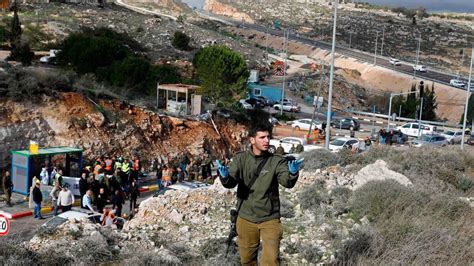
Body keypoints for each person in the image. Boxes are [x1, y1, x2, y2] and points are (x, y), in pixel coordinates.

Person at [216, 124, 304, 265]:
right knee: (247, 260)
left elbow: (287, 182)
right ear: (252, 140)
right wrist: (225, 176)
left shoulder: (276, 161)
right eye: (262, 137)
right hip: (245, 218)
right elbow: (230, 182)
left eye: (268, 137)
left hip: (270, 219)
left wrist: (292, 173)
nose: (266, 141)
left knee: (271, 260)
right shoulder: (240, 159)